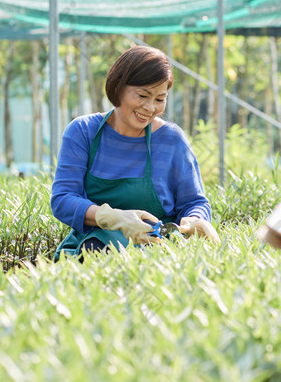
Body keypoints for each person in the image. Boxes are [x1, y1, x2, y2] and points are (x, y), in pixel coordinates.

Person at [51, 45, 218, 261]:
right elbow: (63, 199)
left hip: (158, 246)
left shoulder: (172, 140)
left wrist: (194, 220)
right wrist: (112, 218)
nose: (150, 108)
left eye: (160, 99)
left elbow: (194, 201)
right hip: (94, 244)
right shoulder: (83, 132)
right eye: (142, 95)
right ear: (118, 87)